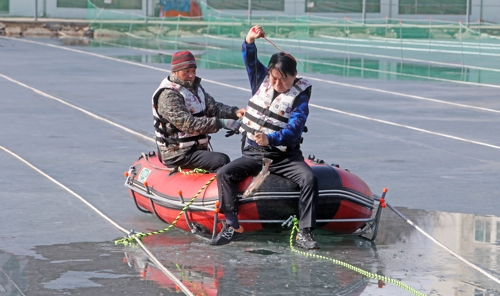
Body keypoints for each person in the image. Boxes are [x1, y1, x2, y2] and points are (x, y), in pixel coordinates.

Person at [211, 25, 320, 249]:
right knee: (224, 173)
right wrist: (249, 40)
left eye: (284, 80)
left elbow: (295, 129)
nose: (278, 84)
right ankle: (232, 225)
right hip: (253, 152)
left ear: (294, 76)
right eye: (274, 78)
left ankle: (305, 232)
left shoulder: (299, 98)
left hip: (284, 156)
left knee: (309, 179)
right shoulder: (262, 80)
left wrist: (271, 139)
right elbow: (250, 61)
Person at [152, 50, 244, 172]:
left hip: (196, 149)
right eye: (187, 72)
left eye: (193, 71)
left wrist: (234, 113)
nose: (191, 75)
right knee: (221, 160)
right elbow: (188, 124)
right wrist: (221, 123)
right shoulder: (169, 95)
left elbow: (213, 107)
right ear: (175, 71)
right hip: (178, 153)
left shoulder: (194, 87)